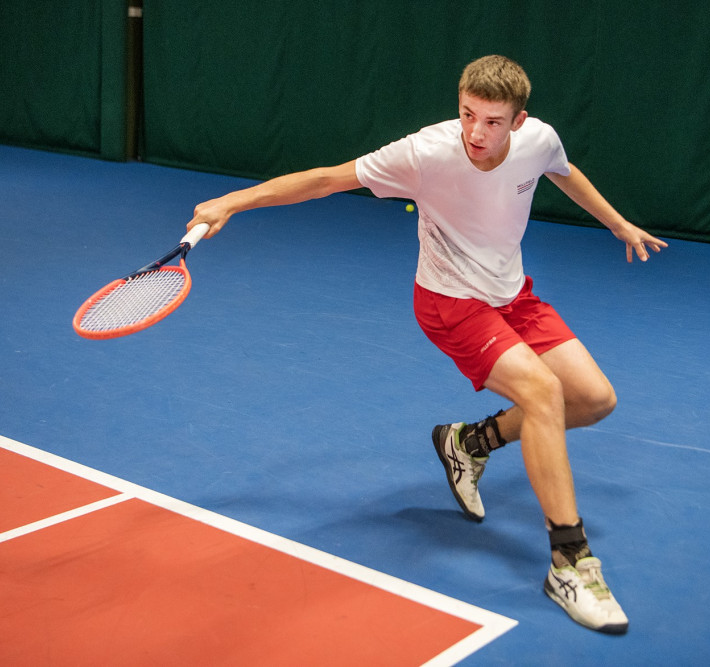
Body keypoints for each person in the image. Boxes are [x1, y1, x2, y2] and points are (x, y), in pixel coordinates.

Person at [187, 55, 666, 634]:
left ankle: (468, 441)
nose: (475, 133)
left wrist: (616, 222)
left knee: (593, 400)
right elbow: (325, 179)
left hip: (513, 295)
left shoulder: (538, 141)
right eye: (467, 114)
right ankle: (569, 561)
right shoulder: (426, 153)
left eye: (492, 121)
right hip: (450, 303)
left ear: (519, 122)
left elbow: (564, 171)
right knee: (543, 394)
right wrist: (232, 202)